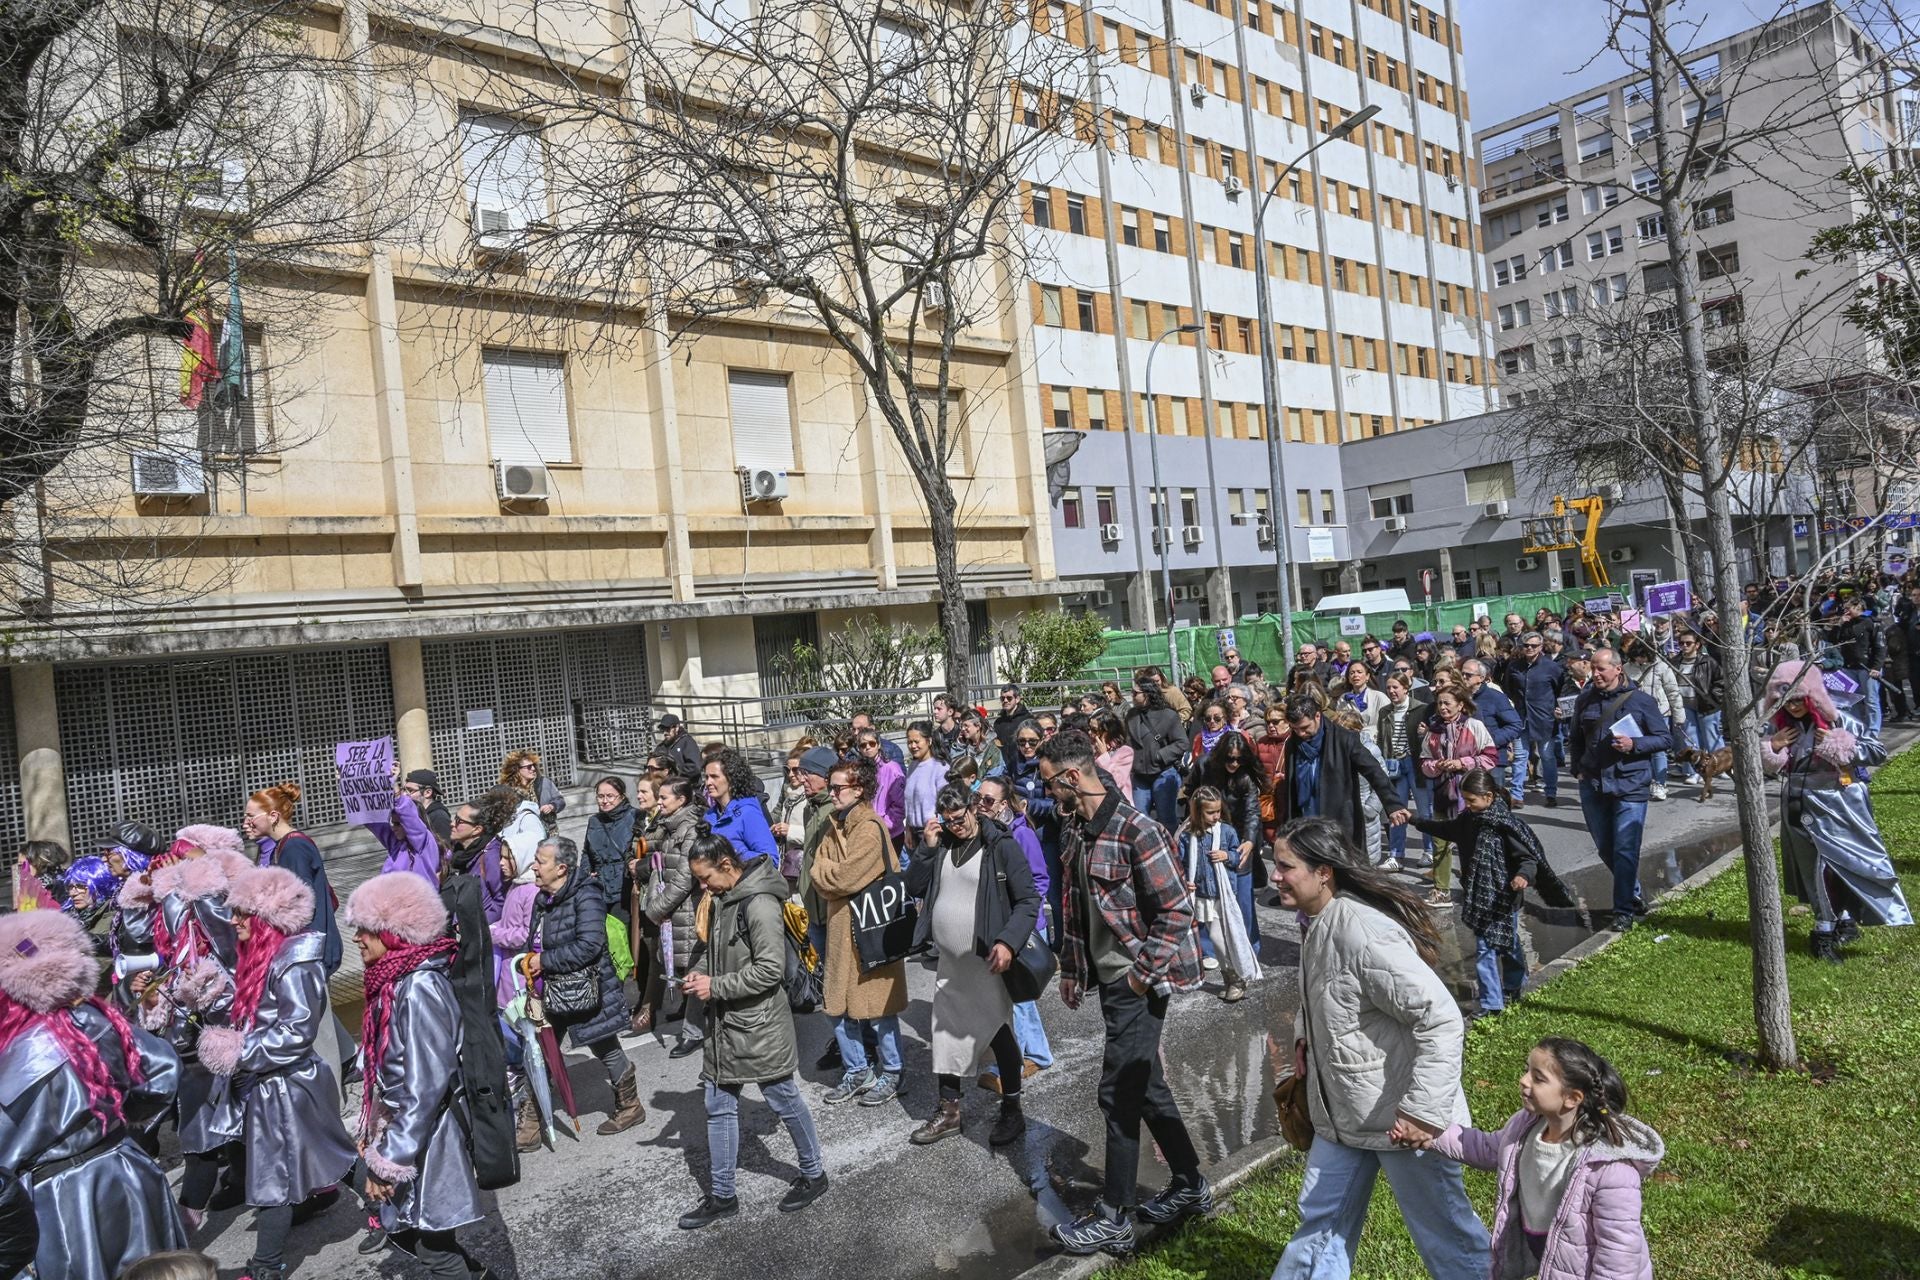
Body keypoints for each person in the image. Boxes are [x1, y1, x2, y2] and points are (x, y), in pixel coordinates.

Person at [1269, 817, 1490, 1279]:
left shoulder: (1361, 932)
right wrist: (1305, 1041)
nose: (1275, 876)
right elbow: (1335, 996)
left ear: (1323, 871)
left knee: (1447, 1236)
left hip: (1402, 1120)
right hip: (1344, 1116)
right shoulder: (1317, 921)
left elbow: (1441, 1018)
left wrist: (1423, 1113)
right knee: (1320, 1227)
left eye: (1285, 867)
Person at [1036, 730, 1210, 1256]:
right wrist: (1071, 969)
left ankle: (1114, 1216)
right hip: (1111, 983)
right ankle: (1189, 1184)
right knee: (1148, 1089)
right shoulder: (1078, 828)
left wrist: (1139, 975)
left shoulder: (1138, 830)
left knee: (1119, 1095)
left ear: (1072, 777)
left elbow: (1178, 911)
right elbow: (1075, 903)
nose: (1047, 793)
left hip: (1139, 982)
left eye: (1050, 783)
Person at [0, 909, 186, 1280]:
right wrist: (121, 1119)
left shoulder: (11, 1059)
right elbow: (162, 1073)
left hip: (61, 1200)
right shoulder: (98, 1020)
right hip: (128, 1170)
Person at [196, 866, 356, 1280]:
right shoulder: (263, 956)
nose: (232, 921)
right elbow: (257, 1013)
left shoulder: (297, 962)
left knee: (273, 1178)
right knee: (331, 1153)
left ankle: (265, 1266)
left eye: (242, 913)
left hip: (287, 1086)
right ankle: (391, 1204)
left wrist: (239, 1051)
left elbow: (296, 1033)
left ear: (267, 917)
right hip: (273, 1084)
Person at [342, 872, 491, 1280]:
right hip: (409, 1130)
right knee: (423, 1237)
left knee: (434, 1248)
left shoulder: (420, 986)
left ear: (395, 933)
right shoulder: (393, 981)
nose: (357, 939)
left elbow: (428, 1084)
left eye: (366, 930)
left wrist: (391, 1157)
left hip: (428, 1136)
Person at [677, 833, 829, 1228]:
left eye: (706, 878)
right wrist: (702, 975)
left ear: (727, 865)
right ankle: (723, 1195)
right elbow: (723, 955)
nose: (703, 888)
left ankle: (814, 1174)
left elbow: (769, 970)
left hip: (758, 1025)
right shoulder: (725, 898)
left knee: (783, 1098)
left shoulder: (758, 904)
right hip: (726, 1025)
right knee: (718, 1105)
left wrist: (716, 986)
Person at [1421, 1038, 1662, 1279]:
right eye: (1526, 1070)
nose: (1523, 1080)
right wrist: (1428, 1133)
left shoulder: (1609, 1170)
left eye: (1538, 1078)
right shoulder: (1526, 1128)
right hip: (1553, 1256)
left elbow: (1618, 1254)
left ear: (1572, 1098)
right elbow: (1487, 1148)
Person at [904, 784, 1040, 1147]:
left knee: (997, 1032)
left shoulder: (1000, 846)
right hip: (950, 964)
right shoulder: (945, 843)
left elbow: (1028, 900)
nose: (955, 825)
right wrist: (926, 848)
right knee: (944, 1034)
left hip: (988, 964)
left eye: (959, 817)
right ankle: (949, 1113)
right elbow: (915, 886)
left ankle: (1013, 1110)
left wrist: (1007, 941)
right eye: (947, 821)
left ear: (974, 808)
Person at [1761, 661, 1914, 960]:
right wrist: (1773, 747)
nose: (1793, 706)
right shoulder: (1779, 727)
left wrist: (1838, 745)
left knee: (1842, 864)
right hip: (1796, 805)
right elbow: (1766, 768)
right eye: (1786, 699)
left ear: (1813, 696)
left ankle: (1827, 929)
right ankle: (1833, 923)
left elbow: (1876, 752)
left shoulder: (1839, 720)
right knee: (1812, 868)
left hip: (1839, 804)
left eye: (1798, 698)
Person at [1413, 770, 1557, 1017]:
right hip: (1480, 896)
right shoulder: (1468, 819)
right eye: (1465, 800)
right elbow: (1446, 829)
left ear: (1489, 796)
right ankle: (1492, 1003)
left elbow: (1527, 858)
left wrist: (1523, 876)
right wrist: (1414, 820)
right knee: (1486, 947)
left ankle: (1513, 983)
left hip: (1504, 896)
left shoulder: (1506, 825)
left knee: (1507, 944)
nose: (1467, 805)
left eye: (1471, 800)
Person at [811, 759, 909, 1107]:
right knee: (836, 1005)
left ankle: (893, 1072)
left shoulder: (869, 827)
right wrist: (826, 873)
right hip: (841, 928)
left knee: (879, 1008)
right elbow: (817, 868)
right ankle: (857, 1069)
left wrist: (826, 873)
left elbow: (843, 878)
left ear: (859, 790)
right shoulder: (831, 824)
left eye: (838, 788)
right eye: (831, 786)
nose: (831, 793)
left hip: (872, 930)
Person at [529, 836, 642, 1135]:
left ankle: (630, 1106)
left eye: (541, 862)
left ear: (562, 868)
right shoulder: (543, 899)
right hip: (553, 989)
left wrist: (544, 961)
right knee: (541, 1051)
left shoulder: (586, 895)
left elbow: (589, 946)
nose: (534, 867)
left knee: (605, 1046)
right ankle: (530, 1120)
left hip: (587, 989)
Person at [1569, 648, 1673, 934]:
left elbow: (1665, 738)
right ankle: (1633, 893)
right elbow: (1575, 737)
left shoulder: (1641, 701)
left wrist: (1634, 745)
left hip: (1631, 784)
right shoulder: (1585, 699)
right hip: (1593, 784)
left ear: (1618, 669)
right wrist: (1577, 768)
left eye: (1601, 668)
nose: (1596, 674)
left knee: (1626, 848)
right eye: (1593, 668)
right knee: (1606, 847)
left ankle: (1623, 911)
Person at [973, 775, 1054, 1084]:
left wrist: (1022, 925)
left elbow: (1040, 881)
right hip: (1003, 929)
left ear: (1004, 804)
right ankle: (1036, 1054)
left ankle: (1020, 1062)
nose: (981, 804)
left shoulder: (1022, 836)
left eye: (989, 800)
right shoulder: (987, 834)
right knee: (1016, 999)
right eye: (978, 798)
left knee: (1018, 999)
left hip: (1023, 930)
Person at [1268, 693, 1410, 847]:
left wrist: (1393, 805)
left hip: (1337, 823)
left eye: (1304, 728)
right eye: (1295, 729)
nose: (1301, 734)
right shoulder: (1293, 744)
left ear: (1317, 716)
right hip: (1304, 822)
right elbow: (1291, 787)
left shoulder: (1344, 739)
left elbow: (1374, 771)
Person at [241, 782, 342, 974]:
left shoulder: (294, 847)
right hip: (304, 953)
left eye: (251, 816)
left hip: (309, 954)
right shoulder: (283, 846)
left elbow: (302, 907)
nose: (245, 822)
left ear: (273, 816)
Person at [643, 776, 708, 1058]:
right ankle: (696, 1025)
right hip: (674, 911)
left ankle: (694, 1032)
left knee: (696, 970)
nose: (659, 802)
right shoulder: (669, 825)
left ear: (682, 800)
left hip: (688, 910)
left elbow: (685, 877)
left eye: (664, 798)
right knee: (686, 970)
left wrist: (656, 909)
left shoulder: (690, 828)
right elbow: (648, 843)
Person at [1419, 686, 1499, 909]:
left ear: (1461, 705)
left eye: (1448, 703)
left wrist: (1462, 763)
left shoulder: (1475, 726)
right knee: (1440, 843)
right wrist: (1437, 766)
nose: (1443, 707)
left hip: (1471, 798)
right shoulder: (1433, 730)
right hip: (1443, 794)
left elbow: (1491, 757)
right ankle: (1441, 891)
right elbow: (1424, 762)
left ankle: (1475, 889)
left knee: (1472, 845)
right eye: (1440, 703)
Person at [1178, 787, 1257, 1003]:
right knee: (1215, 937)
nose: (1216, 816)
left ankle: (1236, 978)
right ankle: (1231, 979)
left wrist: (1226, 855)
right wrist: (1185, 880)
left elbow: (1236, 856)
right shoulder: (1188, 837)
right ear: (1197, 812)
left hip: (1224, 893)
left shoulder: (1227, 831)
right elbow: (1180, 863)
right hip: (1203, 895)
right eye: (1210, 812)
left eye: (1218, 811)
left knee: (1218, 937)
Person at [1501, 632, 1566, 808]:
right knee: (1520, 756)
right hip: (1520, 717)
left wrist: (1557, 710)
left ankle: (1551, 792)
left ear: (1541, 646)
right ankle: (1516, 795)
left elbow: (1560, 690)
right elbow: (1507, 689)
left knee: (1547, 756)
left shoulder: (1551, 667)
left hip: (1544, 718)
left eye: (1534, 646)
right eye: (1526, 645)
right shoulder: (1514, 666)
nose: (1529, 648)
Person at [1378, 673, 1431, 872]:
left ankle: (1429, 850)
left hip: (1416, 765)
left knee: (1425, 810)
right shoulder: (1385, 712)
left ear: (1406, 688)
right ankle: (1396, 855)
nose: (1391, 691)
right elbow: (1382, 741)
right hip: (1394, 764)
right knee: (1396, 810)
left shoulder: (1421, 708)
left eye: (1395, 687)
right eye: (1389, 688)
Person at [1619, 638, 1682, 803]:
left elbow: (1672, 691)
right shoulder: (1626, 668)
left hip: (1660, 713)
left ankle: (1660, 783)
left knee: (1658, 751)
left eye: (1644, 656)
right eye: (1638, 656)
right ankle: (1644, 782)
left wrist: (1679, 715)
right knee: (1639, 749)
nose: (1641, 660)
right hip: (1635, 715)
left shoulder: (1661, 667)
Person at [1126, 675, 1188, 829]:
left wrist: (1160, 755)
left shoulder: (1169, 715)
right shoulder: (1131, 715)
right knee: (1140, 820)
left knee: (1166, 819)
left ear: (1147, 694)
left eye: (1135, 693)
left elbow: (1182, 743)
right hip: (1139, 775)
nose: (1132, 696)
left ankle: (1171, 851)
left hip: (1163, 772)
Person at [1459, 659, 1524, 803]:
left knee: (1493, 803)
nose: (1463, 678)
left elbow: (1515, 725)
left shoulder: (1495, 697)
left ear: (1481, 678)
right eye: (1462, 674)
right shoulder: (1458, 697)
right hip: (1465, 760)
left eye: (1468, 675)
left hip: (1493, 760)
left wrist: (1491, 741)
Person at [1670, 630, 1728, 785]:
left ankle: (1720, 766)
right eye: (1681, 643)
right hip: (1685, 706)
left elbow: (1721, 681)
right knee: (1690, 739)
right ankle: (1693, 771)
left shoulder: (1707, 661)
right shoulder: (1675, 662)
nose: (1684, 646)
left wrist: (1713, 698)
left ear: (1697, 645)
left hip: (1706, 705)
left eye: (1688, 643)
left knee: (1712, 737)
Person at [584, 778, 639, 932]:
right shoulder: (594, 821)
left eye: (610, 796)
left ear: (621, 796)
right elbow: (586, 852)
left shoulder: (635, 816)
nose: (605, 801)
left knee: (623, 936)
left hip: (624, 889)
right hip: (599, 888)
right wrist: (586, 874)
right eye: (600, 796)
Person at [704, 749, 778, 863]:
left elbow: (771, 861)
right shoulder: (708, 816)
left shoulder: (748, 813)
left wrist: (734, 852)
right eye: (706, 777)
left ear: (731, 779)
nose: (708, 782)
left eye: (714, 777)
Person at [1831, 596, 1886, 737]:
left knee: (1871, 701)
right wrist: (1839, 625)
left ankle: (1873, 731)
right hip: (1849, 667)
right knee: (1852, 701)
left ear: (1858, 607)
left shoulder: (1871, 623)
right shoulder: (1846, 623)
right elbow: (1833, 640)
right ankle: (1856, 729)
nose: (1846, 611)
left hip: (1867, 668)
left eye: (1848, 608)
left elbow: (1880, 647)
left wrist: (1876, 667)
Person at [900, 721, 949, 855]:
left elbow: (946, 804)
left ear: (929, 741)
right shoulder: (912, 767)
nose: (913, 746)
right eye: (910, 742)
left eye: (917, 741)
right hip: (913, 833)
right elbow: (910, 802)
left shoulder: (940, 768)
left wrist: (934, 828)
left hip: (932, 833)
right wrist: (908, 829)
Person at [772, 747, 813, 889]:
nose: (791, 775)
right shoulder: (789, 797)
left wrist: (790, 831)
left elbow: (815, 834)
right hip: (788, 865)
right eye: (787, 770)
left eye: (795, 770)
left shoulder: (810, 799)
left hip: (805, 865)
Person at [501, 750, 566, 831]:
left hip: (548, 831)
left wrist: (552, 806)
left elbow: (560, 800)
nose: (533, 769)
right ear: (517, 770)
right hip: (521, 834)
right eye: (529, 767)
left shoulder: (544, 782)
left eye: (534, 765)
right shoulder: (508, 789)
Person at [948, 710, 1004, 786]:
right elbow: (956, 769)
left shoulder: (993, 750)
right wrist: (959, 746)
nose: (963, 729)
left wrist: (975, 788)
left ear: (977, 726)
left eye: (966, 726)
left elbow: (994, 778)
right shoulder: (964, 746)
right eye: (961, 726)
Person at [403, 769, 454, 845]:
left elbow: (445, 850)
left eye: (410, 790)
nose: (404, 794)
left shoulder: (439, 817)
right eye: (404, 790)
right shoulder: (417, 813)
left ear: (428, 792)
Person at [655, 713, 703, 778]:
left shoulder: (687, 742)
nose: (665, 732)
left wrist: (675, 771)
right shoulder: (661, 747)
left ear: (677, 728)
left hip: (687, 785)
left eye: (668, 729)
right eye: (663, 729)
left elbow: (695, 767)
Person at [991, 685, 1032, 759]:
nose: (1005, 701)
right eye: (1002, 698)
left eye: (1009, 698)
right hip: (1004, 765)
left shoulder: (1027, 720)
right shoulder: (998, 723)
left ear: (1017, 699)